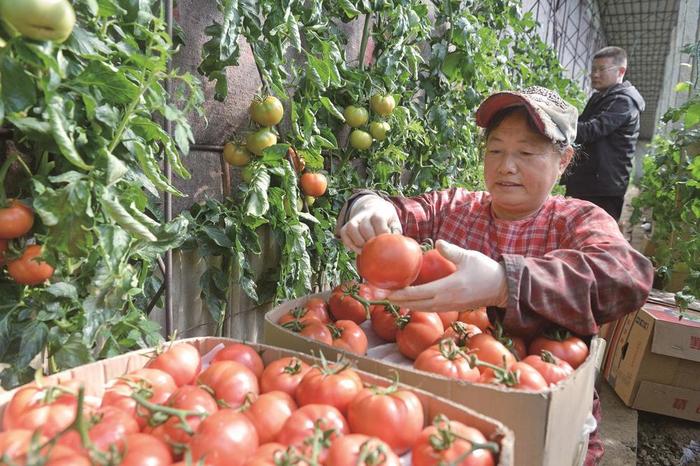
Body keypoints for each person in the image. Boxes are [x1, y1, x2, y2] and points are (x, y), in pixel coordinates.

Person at [335, 86, 654, 465]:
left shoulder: (577, 221)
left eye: (526, 152)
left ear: (564, 161)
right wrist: (368, 205)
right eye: (496, 150)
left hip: (541, 419)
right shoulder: (454, 209)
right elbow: (399, 213)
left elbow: (626, 277)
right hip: (448, 418)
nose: (506, 166)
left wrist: (506, 284)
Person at [562, 46, 645, 222]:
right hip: (588, 182)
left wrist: (554, 122)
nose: (595, 74)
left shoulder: (624, 102)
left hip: (603, 189)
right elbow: (581, 126)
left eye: (601, 69)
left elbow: (591, 130)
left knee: (596, 239)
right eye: (593, 69)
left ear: (621, 71)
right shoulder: (600, 97)